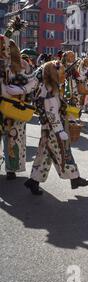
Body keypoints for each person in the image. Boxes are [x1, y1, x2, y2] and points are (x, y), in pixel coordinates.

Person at [24, 61, 88, 195]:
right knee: (63, 153)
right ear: (53, 74)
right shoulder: (50, 90)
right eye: (61, 73)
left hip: (48, 129)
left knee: (45, 155)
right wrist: (60, 130)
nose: (64, 75)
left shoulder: (51, 87)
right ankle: (75, 178)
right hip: (52, 130)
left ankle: (33, 181)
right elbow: (52, 113)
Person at [0, 37, 38, 180]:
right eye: (2, 49)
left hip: (15, 108)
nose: (5, 52)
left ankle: (12, 168)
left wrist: (22, 89)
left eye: (7, 48)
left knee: (13, 138)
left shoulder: (23, 64)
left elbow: (34, 82)